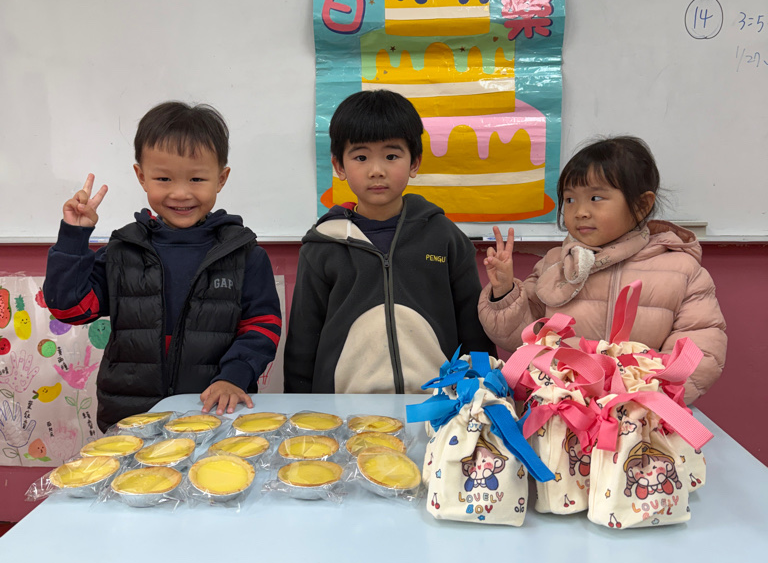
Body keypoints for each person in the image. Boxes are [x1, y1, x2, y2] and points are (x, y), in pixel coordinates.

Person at [43, 101, 281, 430]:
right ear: (142, 177)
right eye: (164, 178)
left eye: (196, 178)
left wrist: (234, 376)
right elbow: (68, 309)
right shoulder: (123, 251)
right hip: (132, 419)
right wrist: (74, 237)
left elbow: (262, 326)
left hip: (214, 415)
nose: (180, 193)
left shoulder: (244, 255)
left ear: (221, 179)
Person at [478, 136, 726, 403]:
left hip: (637, 413)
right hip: (558, 407)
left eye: (596, 198)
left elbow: (700, 353)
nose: (580, 212)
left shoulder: (682, 270)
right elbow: (520, 338)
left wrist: (637, 398)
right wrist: (504, 292)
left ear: (642, 205)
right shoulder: (555, 264)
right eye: (570, 199)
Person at [284, 89, 494, 394]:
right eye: (361, 157)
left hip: (436, 406)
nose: (377, 171)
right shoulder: (322, 246)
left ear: (414, 163)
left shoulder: (445, 238)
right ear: (339, 166)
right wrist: (301, 409)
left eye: (391, 156)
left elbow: (474, 331)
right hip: (345, 408)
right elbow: (303, 342)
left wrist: (484, 394)